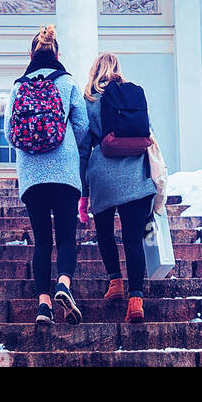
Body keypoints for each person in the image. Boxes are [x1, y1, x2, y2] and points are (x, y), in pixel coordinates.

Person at [5, 24, 89, 325]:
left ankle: (43, 306)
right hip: (65, 172)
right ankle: (64, 284)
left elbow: (9, 133)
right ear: (58, 54)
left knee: (42, 242)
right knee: (66, 238)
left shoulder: (18, 86)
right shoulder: (67, 82)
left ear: (30, 54)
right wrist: (63, 143)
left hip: (32, 175)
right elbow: (82, 126)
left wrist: (32, 145)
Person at [78, 52, 159, 323]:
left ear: (95, 71)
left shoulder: (89, 101)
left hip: (103, 176)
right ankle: (136, 300)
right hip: (136, 175)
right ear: (117, 69)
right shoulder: (133, 95)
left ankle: (115, 282)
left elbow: (83, 148)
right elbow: (148, 132)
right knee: (133, 238)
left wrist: (83, 191)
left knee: (104, 231)